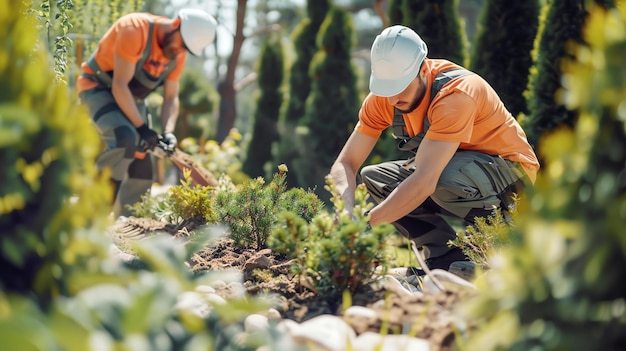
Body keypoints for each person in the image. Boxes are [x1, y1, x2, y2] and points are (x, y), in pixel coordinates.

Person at [329, 25, 540, 273]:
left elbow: (424, 181)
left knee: (440, 178)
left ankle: (504, 248)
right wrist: (345, 210)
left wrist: (366, 224)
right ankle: (444, 256)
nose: (393, 100)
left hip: (513, 179)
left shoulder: (457, 95)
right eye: (387, 89)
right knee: (375, 178)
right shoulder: (383, 99)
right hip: (460, 171)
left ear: (422, 68)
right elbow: (345, 163)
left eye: (400, 87)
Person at [77, 9, 217, 217]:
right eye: (182, 44)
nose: (180, 51)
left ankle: (131, 219)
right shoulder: (134, 29)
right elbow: (120, 86)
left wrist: (168, 132)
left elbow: (171, 97)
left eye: (186, 49)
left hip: (132, 99)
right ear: (176, 23)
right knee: (125, 138)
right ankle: (92, 214)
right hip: (98, 88)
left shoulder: (177, 55)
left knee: (143, 153)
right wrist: (142, 128)